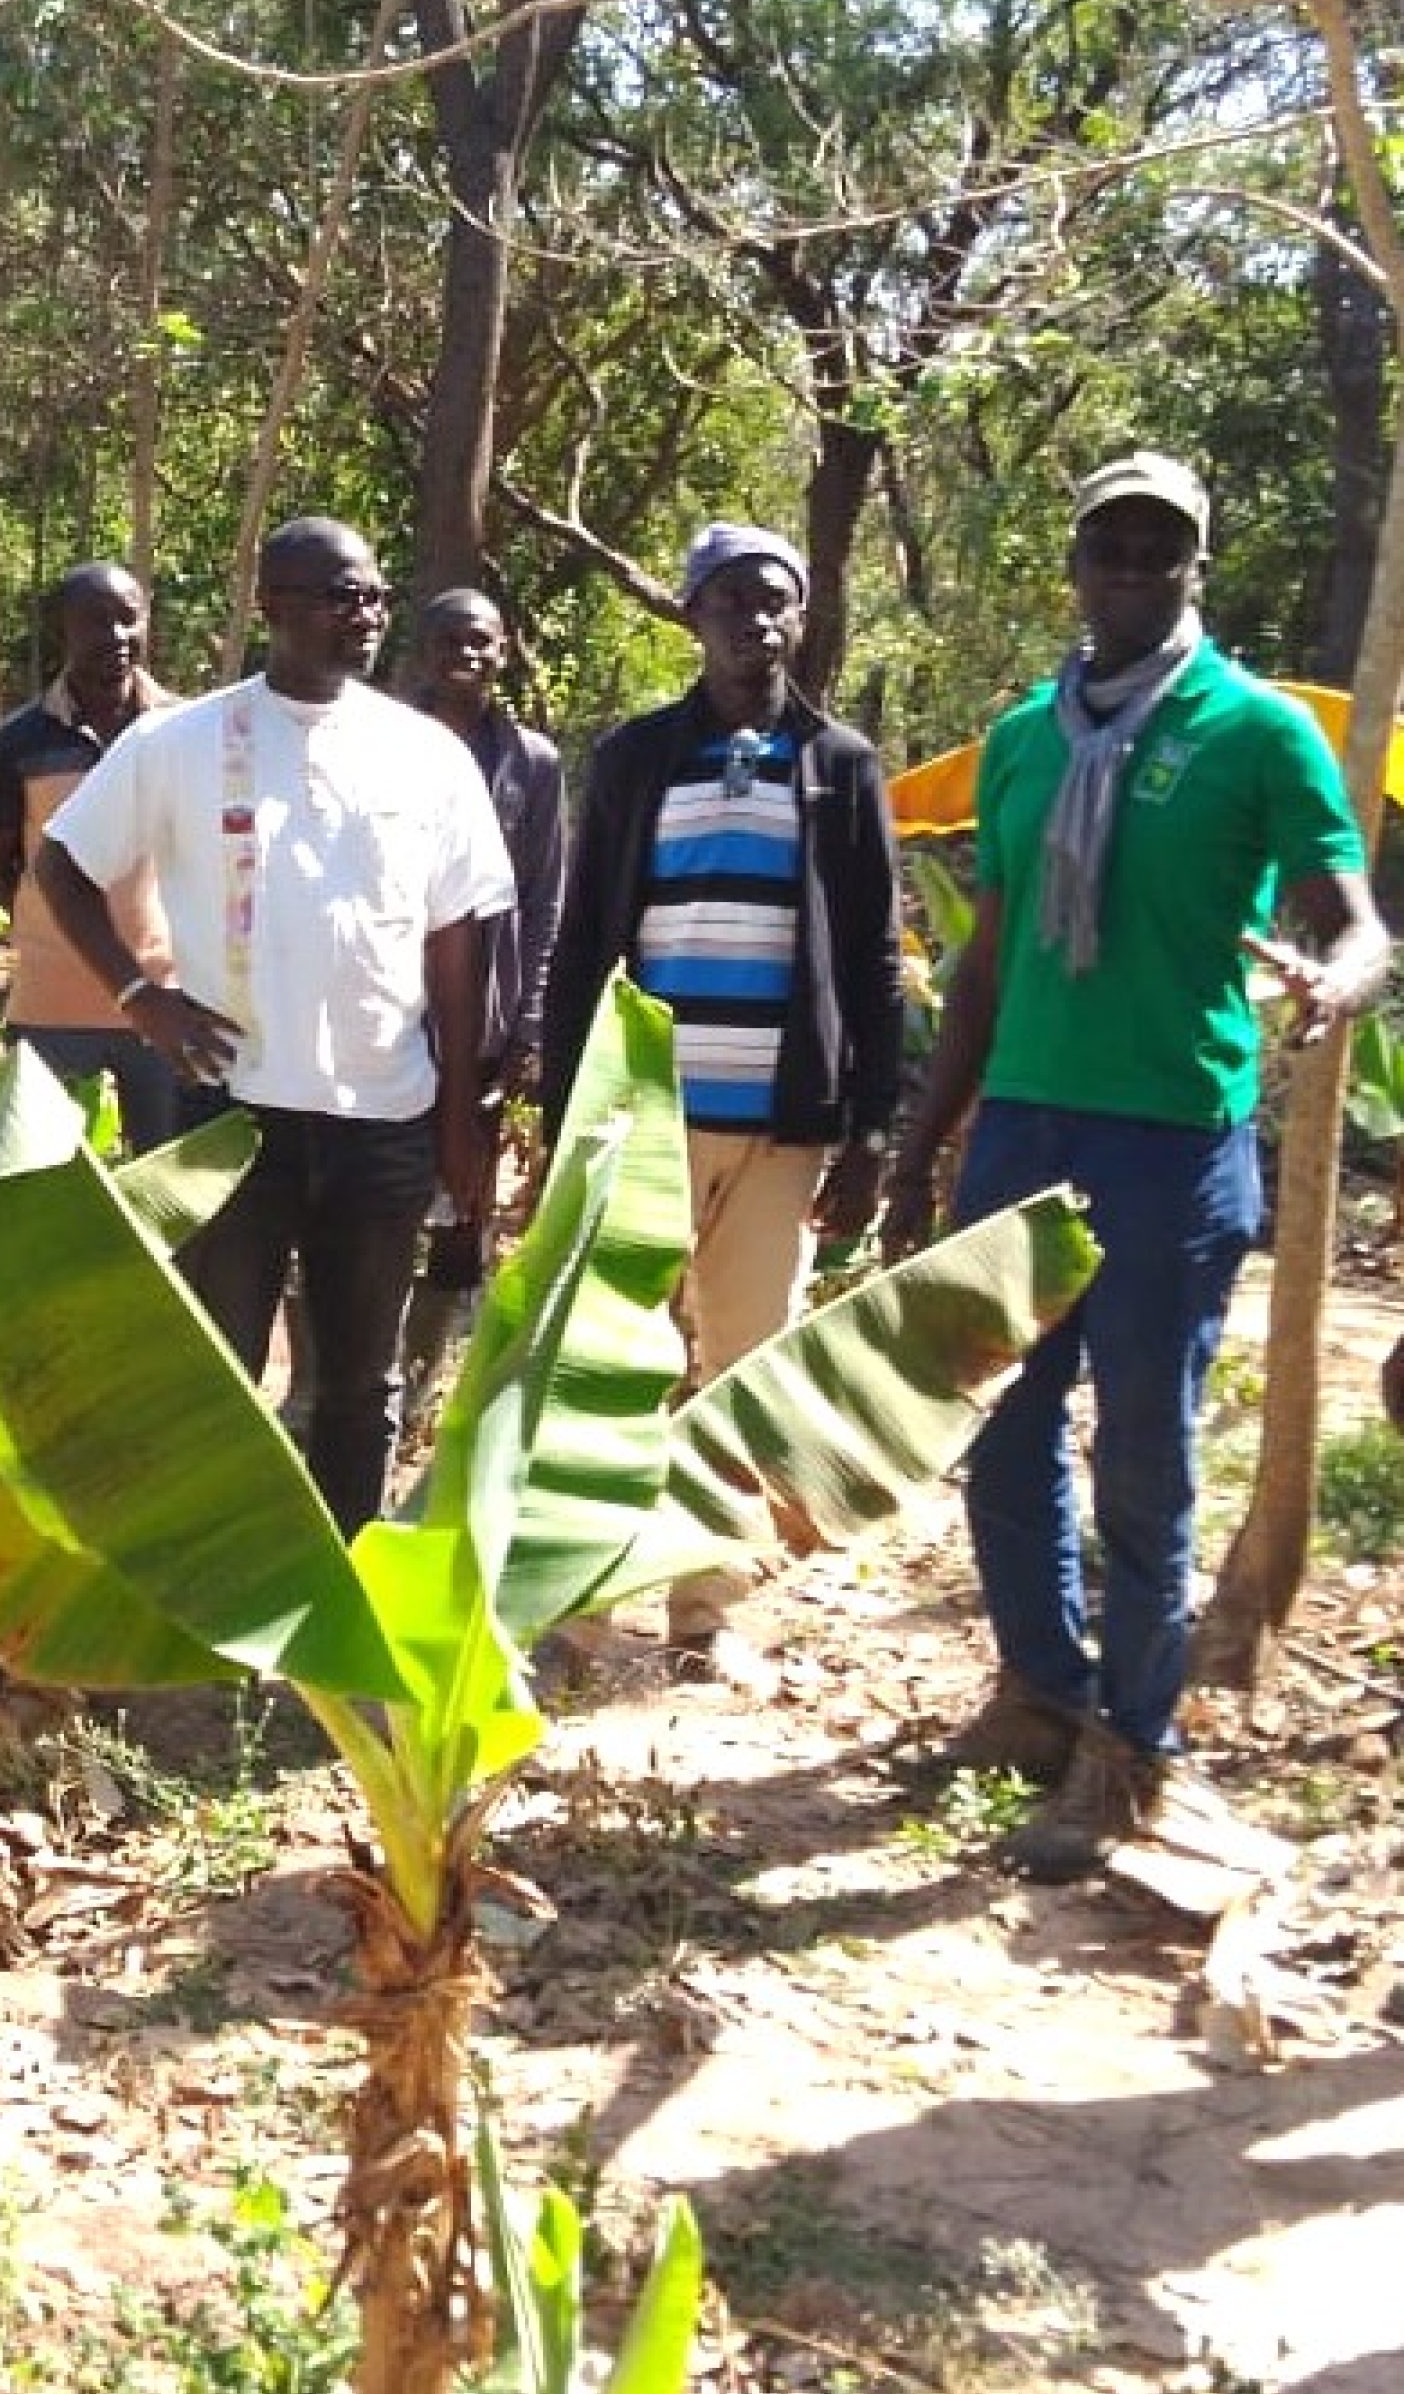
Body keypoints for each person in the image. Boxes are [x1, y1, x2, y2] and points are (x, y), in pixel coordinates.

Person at [881, 451, 1389, 1880]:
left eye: (1159, 549)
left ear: (1194, 567)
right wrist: (926, 1140)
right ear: (1077, 561)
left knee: (1147, 1457)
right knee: (1002, 1430)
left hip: (1170, 1136)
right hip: (1026, 1129)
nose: (1131, 570)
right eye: (1110, 545)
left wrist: (1336, 984)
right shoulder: (1025, 740)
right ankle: (1040, 1690)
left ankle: (1133, 1747)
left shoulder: (1258, 731)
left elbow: (1353, 917)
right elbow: (983, 960)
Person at [34, 514, 515, 1532]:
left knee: (360, 1384)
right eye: (342, 596)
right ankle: (206, 1587)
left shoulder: (424, 755)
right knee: (218, 1368)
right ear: (274, 609)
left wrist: (463, 1116)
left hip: (385, 1118)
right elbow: (61, 863)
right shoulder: (181, 741)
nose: (367, 615)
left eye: (375, 596)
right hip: (235, 1113)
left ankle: (337, 1606)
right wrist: (138, 996)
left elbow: (455, 941)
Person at [540, 521, 904, 1663]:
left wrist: (871, 1131)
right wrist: (564, 1116)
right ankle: (580, 1613)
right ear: (692, 615)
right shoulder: (637, 758)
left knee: (740, 1370)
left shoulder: (837, 763)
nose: (758, 621)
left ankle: (705, 1613)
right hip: (640, 1121)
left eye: (777, 601)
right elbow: (582, 937)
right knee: (607, 1370)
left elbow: (874, 957)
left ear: (799, 619)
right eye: (733, 601)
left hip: (778, 1127)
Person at [0, 561, 183, 1149]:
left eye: (127, 619)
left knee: (166, 1188)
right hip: (50, 1004)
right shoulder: (19, 743)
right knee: (41, 1182)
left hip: (164, 1001)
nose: (115, 636)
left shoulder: (185, 732)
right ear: (63, 630)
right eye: (95, 621)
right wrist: (50, 923)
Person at [410, 586, 565, 1106]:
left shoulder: (532, 764)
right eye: (447, 642)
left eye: (479, 641)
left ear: (503, 651)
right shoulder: (379, 748)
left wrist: (531, 1024)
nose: (465, 655)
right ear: (423, 652)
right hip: (389, 1018)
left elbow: (544, 898)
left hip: (486, 1023)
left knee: (467, 1179)